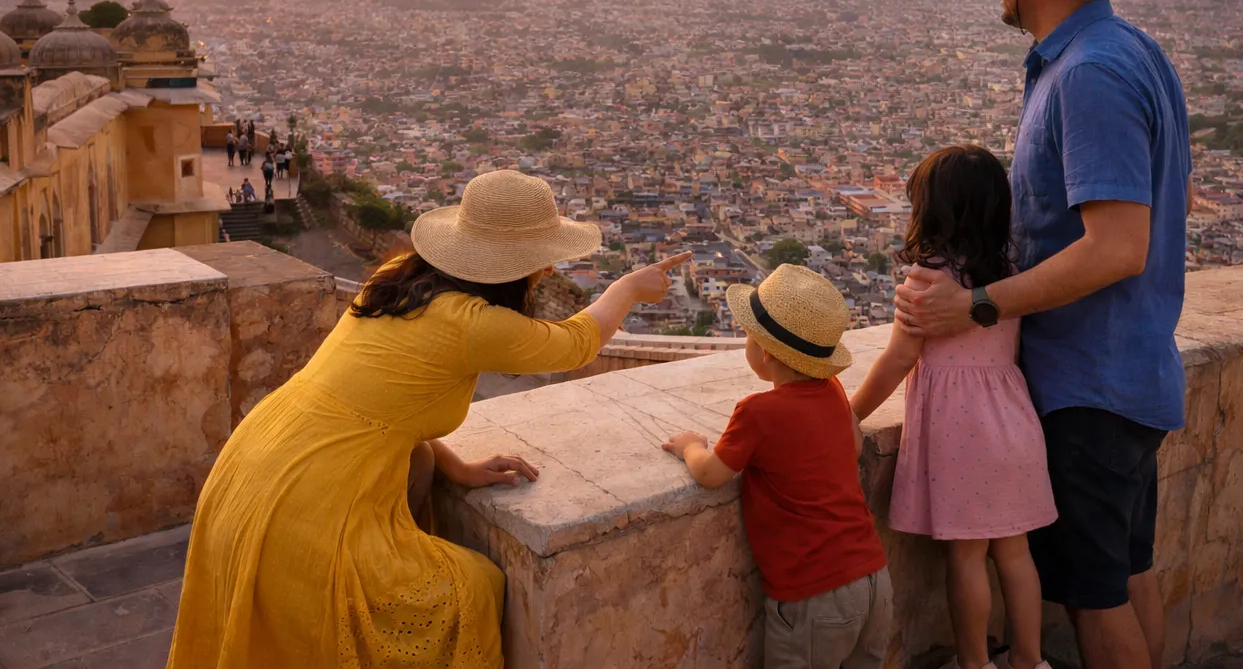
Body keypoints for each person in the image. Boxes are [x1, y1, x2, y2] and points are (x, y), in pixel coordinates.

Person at [168, 170, 693, 668]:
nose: (550, 268)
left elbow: (381, 411)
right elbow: (578, 343)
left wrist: (456, 467)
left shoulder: (397, 279)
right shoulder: (475, 324)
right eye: (543, 256)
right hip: (311, 496)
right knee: (472, 588)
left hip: (255, 462)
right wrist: (627, 289)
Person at [895, 0, 1192, 669]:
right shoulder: (1133, 52)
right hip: (1134, 368)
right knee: (1130, 577)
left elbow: (1117, 246)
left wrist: (978, 304)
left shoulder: (1087, 74)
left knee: (1095, 603)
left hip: (1089, 382)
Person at [851, 147, 1056, 669]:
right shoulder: (1010, 277)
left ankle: (974, 664)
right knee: (1015, 553)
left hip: (960, 432)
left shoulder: (927, 281)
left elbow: (899, 357)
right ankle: (1029, 662)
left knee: (966, 556)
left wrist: (848, 413)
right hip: (1015, 424)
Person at [662, 264, 890, 669]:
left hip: (814, 595)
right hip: (872, 578)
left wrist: (690, 446)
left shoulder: (758, 412)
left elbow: (712, 474)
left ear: (764, 351)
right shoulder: (833, 391)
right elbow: (854, 445)